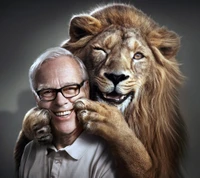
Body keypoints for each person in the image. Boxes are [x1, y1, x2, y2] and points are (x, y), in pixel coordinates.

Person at [19, 47, 116, 178]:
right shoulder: (30, 151)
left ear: (86, 89)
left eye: (70, 88)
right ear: (37, 99)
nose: (60, 101)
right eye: (47, 92)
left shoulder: (111, 154)